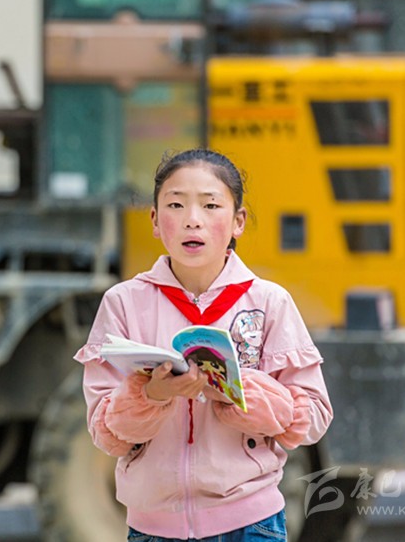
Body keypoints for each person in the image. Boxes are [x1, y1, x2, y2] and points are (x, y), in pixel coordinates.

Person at [76, 148, 333, 541]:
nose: (192, 220)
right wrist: (152, 395)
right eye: (175, 205)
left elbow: (313, 415)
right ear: (155, 220)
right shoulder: (123, 303)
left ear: (238, 221)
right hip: (152, 529)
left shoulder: (269, 302)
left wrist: (238, 393)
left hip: (251, 525)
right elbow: (103, 431)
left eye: (211, 205)